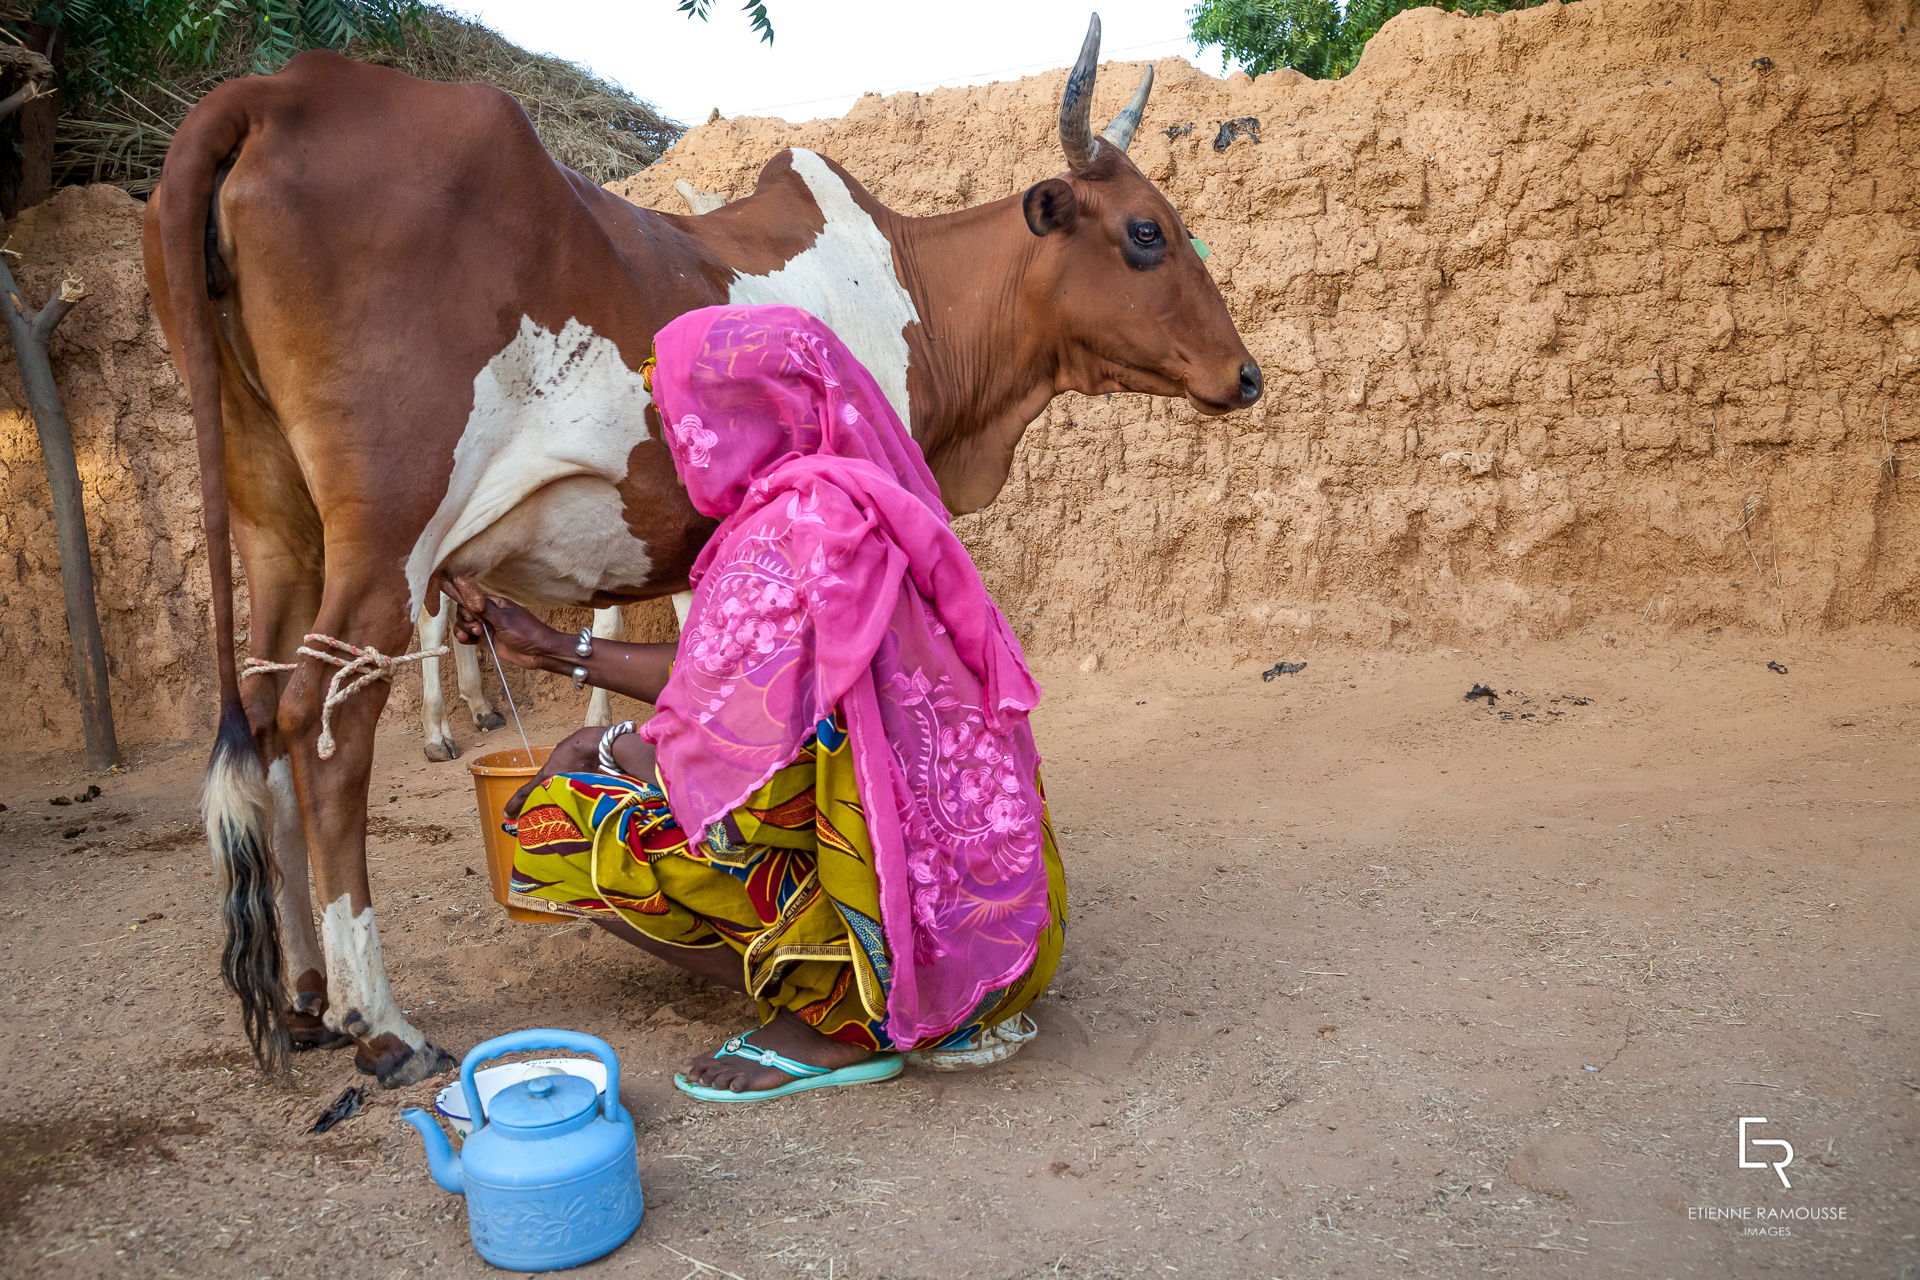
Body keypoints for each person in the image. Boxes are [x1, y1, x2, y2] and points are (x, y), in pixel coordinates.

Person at [452, 305, 1065, 1102]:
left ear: (743, 414)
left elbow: (736, 745)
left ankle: (833, 1019)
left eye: (680, 417)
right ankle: (854, 978)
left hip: (916, 977)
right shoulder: (866, 501)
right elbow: (743, 683)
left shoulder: (783, 535)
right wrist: (551, 650)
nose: (677, 441)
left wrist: (597, 750)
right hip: (1008, 937)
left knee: (555, 834)